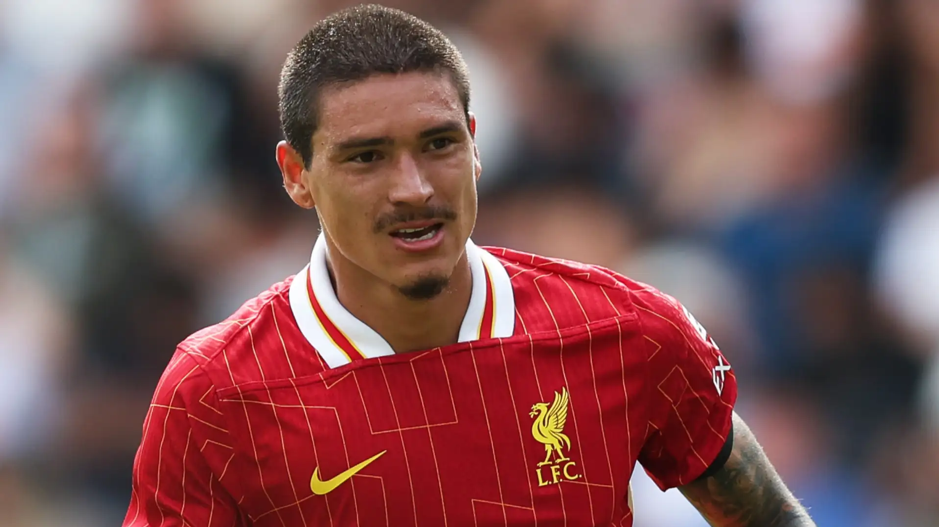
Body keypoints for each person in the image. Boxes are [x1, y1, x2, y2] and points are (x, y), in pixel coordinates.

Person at [123, 5, 815, 526]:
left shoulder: (626, 330)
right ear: (296, 174)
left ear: (475, 146)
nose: (414, 187)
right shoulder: (214, 396)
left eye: (438, 144)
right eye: (367, 157)